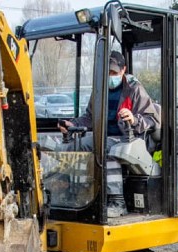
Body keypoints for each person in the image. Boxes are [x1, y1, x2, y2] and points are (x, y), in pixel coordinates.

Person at [57, 50, 160, 216]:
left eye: (114, 72)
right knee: (76, 146)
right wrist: (72, 124)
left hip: (129, 137)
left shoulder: (135, 89)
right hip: (104, 136)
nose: (110, 76)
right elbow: (90, 118)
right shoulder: (99, 90)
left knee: (108, 149)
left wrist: (133, 119)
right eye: (107, 72)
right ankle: (82, 195)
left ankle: (117, 201)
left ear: (123, 70)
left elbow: (151, 119)